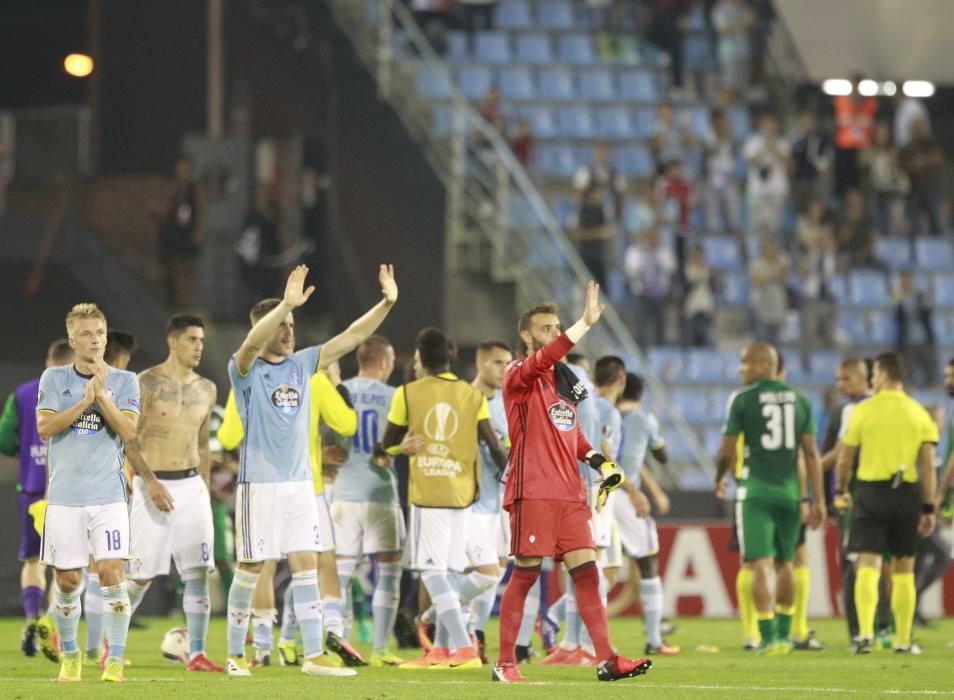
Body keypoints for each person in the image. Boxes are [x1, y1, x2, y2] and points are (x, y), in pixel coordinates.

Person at [224, 263, 397, 678]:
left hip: (301, 485)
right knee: (251, 567)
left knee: (306, 565)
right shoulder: (245, 369)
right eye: (281, 324)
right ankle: (234, 655)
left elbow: (352, 336)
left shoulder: (303, 364)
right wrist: (285, 302)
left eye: (291, 323)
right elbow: (249, 344)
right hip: (259, 486)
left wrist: (387, 302)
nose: (288, 330)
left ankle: (315, 654)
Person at [493, 282, 651, 683]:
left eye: (556, 326)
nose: (552, 333)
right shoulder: (518, 375)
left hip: (570, 495)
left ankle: (607, 659)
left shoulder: (563, 383)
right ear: (527, 335)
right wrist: (583, 324)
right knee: (526, 573)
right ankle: (505, 663)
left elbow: (574, 435)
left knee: (588, 573)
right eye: (545, 328)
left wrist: (601, 463)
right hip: (533, 490)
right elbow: (548, 355)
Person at [382, 328, 507, 670]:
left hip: (428, 492)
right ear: (451, 358)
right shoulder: (472, 397)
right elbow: (495, 449)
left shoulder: (408, 393)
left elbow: (386, 443)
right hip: (464, 495)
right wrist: (515, 482)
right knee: (450, 573)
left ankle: (464, 649)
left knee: (432, 571)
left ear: (419, 358)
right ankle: (440, 650)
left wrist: (400, 448)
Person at [36, 303, 141, 682]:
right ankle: (72, 657)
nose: (95, 339)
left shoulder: (126, 381)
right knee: (68, 581)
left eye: (100, 332)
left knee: (112, 573)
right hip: (65, 497)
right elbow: (46, 428)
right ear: (72, 339)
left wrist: (103, 398)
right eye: (86, 333)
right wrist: (83, 402)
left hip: (109, 496)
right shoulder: (53, 379)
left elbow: (129, 434)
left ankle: (115, 659)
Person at [121, 315, 221, 671]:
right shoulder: (145, 383)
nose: (198, 346)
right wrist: (149, 481)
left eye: (202, 341)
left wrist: (204, 490)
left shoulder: (207, 388)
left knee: (198, 571)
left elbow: (203, 445)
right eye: (192, 339)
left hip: (192, 485)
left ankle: (196, 653)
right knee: (140, 575)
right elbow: (129, 438)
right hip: (153, 485)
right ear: (173, 342)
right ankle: (111, 648)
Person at [715, 343, 826, 655]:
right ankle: (785, 633)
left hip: (755, 494)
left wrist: (719, 475)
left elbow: (726, 449)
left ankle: (766, 636)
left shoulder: (742, 399)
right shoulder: (802, 400)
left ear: (764, 365)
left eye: (745, 363)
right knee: (786, 564)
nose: (741, 369)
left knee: (760, 564)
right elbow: (811, 453)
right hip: (791, 494)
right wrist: (818, 500)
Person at [835, 351, 938, 654]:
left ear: (880, 374)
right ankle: (903, 640)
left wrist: (841, 490)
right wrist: (929, 506)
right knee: (904, 569)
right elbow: (928, 466)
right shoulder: (919, 413)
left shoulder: (863, 411)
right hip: (905, 493)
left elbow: (844, 459)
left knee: (868, 565)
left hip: (870, 492)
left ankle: (865, 636)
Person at [330, 335, 407, 667]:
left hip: (343, 493)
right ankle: (380, 649)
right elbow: (401, 442)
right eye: (389, 363)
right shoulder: (394, 396)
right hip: (381, 496)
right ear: (382, 362)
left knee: (340, 576)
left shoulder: (338, 392)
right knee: (389, 572)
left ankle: (341, 641)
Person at [0, 339, 73, 658]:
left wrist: (25, 455)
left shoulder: (23, 394)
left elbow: (4, 438)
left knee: (32, 560)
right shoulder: (78, 393)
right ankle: (50, 625)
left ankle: (32, 618)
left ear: (47, 361)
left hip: (30, 489)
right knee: (67, 565)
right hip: (68, 490)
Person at [615, 372, 678, 656]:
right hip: (627, 498)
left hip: (598, 495)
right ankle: (654, 639)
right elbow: (661, 456)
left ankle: (572, 636)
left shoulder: (604, 415)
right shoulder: (644, 420)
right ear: (639, 394)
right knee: (648, 564)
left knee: (597, 570)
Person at [465, 341, 513, 664]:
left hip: (499, 504)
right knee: (481, 572)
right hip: (470, 502)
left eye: (508, 363)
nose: (504, 370)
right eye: (498, 363)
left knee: (496, 571)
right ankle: (446, 625)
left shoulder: (508, 405)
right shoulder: (465, 400)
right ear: (480, 364)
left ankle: (474, 635)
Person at [819, 358, 871, 642]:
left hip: (854, 497)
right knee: (881, 565)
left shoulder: (853, 411)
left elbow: (839, 455)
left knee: (856, 562)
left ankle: (858, 631)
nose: (840, 385)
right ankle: (884, 628)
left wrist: (809, 470)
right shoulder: (846, 410)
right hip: (881, 494)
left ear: (864, 378)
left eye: (846, 379)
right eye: (838, 380)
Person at [159, 154, 203, 309]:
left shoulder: (194, 189)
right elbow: (165, 211)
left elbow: (199, 210)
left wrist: (197, 231)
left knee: (189, 267)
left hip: (188, 233)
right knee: (175, 266)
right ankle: (177, 302)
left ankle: (189, 302)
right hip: (174, 233)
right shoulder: (173, 189)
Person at [743, 113, 791, 239]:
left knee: (776, 227)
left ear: (776, 125)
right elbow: (750, 161)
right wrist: (764, 147)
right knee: (755, 226)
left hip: (777, 190)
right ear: (761, 125)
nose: (769, 128)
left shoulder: (783, 142)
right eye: (766, 125)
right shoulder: (753, 141)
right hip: (757, 190)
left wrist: (774, 147)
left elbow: (788, 162)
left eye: (771, 125)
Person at [833, 74, 877, 198]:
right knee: (844, 180)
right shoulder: (841, 101)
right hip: (844, 147)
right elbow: (838, 122)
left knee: (862, 181)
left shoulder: (870, 103)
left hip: (863, 148)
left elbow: (871, 123)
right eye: (854, 84)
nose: (856, 88)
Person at [899, 118, 944, 237]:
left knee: (936, 223)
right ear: (911, 130)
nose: (919, 131)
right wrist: (924, 162)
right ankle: (916, 251)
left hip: (931, 188)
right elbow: (904, 166)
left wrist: (920, 162)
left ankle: (938, 249)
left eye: (920, 128)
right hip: (914, 190)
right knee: (914, 224)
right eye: (916, 129)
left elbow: (937, 158)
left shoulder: (931, 144)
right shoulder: (907, 147)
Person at [748, 239, 788, 345]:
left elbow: (785, 281)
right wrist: (774, 273)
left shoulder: (780, 263)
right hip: (762, 308)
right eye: (767, 249)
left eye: (772, 249)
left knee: (776, 344)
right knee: (762, 342)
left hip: (777, 307)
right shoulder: (757, 264)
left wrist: (779, 268)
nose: (770, 251)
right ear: (762, 250)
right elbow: (758, 281)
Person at [682, 245, 716, 346]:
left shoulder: (708, 270)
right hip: (691, 309)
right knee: (690, 340)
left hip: (706, 308)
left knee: (705, 340)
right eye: (696, 256)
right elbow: (685, 288)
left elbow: (714, 288)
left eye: (701, 256)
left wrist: (710, 276)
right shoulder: (687, 270)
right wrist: (698, 278)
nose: (699, 258)